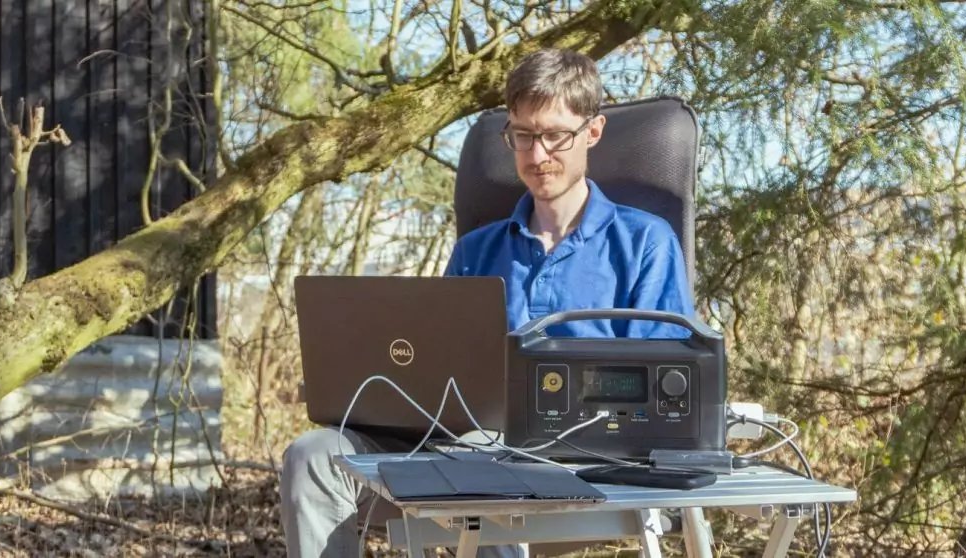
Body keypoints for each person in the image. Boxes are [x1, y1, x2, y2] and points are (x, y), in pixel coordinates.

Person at [280, 48, 694, 558]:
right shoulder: (476, 250)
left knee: (481, 458)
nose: (537, 154)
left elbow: (664, 383)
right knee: (313, 456)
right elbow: (436, 371)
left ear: (592, 132)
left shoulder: (644, 243)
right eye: (522, 135)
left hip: (574, 457)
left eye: (554, 136)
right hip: (451, 443)